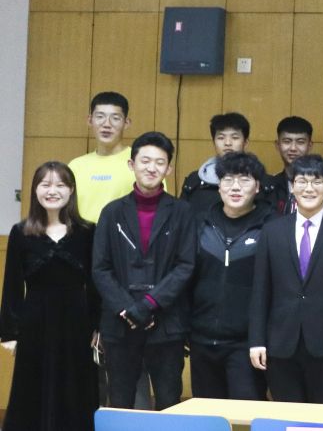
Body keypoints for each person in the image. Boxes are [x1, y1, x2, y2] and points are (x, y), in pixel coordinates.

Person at [90, 131, 195, 410]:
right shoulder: (111, 212)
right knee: (120, 402)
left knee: (169, 402)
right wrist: (128, 308)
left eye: (160, 162)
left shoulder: (183, 212)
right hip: (120, 322)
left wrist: (149, 304)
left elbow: (186, 265)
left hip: (166, 322)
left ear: (169, 168)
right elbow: (100, 267)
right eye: (145, 161)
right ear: (131, 164)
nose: (151, 168)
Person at [249, 154, 323, 404]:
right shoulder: (272, 231)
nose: (309, 188)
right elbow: (260, 290)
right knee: (287, 417)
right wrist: (257, 340)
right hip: (280, 344)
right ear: (292, 187)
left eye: (317, 181)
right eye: (301, 181)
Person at [1, 161, 100, 430]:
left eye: (60, 185)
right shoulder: (21, 232)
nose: (52, 191)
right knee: (31, 389)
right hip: (35, 322)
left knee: (75, 387)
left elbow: (95, 284)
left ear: (71, 190)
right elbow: (12, 285)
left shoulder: (87, 232)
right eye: (45, 184)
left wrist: (97, 325)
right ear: (35, 190)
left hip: (76, 322)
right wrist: (9, 333)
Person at [186, 152, 273, 400]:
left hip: (246, 344)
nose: (235, 187)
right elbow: (185, 278)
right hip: (201, 340)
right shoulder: (200, 223)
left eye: (244, 180)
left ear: (257, 186)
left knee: (245, 414)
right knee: (207, 415)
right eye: (228, 179)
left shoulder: (271, 227)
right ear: (219, 185)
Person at [69, 91, 135, 224]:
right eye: (100, 117)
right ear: (90, 120)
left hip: (123, 235)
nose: (107, 124)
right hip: (83, 235)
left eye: (115, 118)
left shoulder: (140, 163)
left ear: (126, 123)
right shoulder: (75, 166)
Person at [181, 113, 251, 215]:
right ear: (213, 142)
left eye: (235, 137)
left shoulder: (260, 181)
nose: (227, 143)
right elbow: (183, 218)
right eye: (221, 138)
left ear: (245, 142)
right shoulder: (194, 180)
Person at [266, 116, 314, 215]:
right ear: (277, 145)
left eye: (300, 142)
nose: (293, 148)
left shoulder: (321, 186)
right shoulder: (268, 187)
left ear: (310, 146)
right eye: (287, 141)